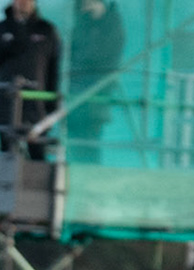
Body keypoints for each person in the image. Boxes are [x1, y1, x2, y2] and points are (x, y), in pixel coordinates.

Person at [0, 0, 60, 159]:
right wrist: (5, 48)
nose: (23, 3)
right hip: (6, 102)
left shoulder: (46, 29)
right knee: (7, 154)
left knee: (37, 154)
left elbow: (53, 70)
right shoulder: (1, 28)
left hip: (35, 104)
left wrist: (52, 103)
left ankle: (35, 184)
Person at [65, 0, 124, 164]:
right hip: (76, 98)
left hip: (92, 99)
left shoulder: (109, 26)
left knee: (87, 147)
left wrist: (95, 21)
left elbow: (93, 55)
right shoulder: (83, 24)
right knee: (75, 147)